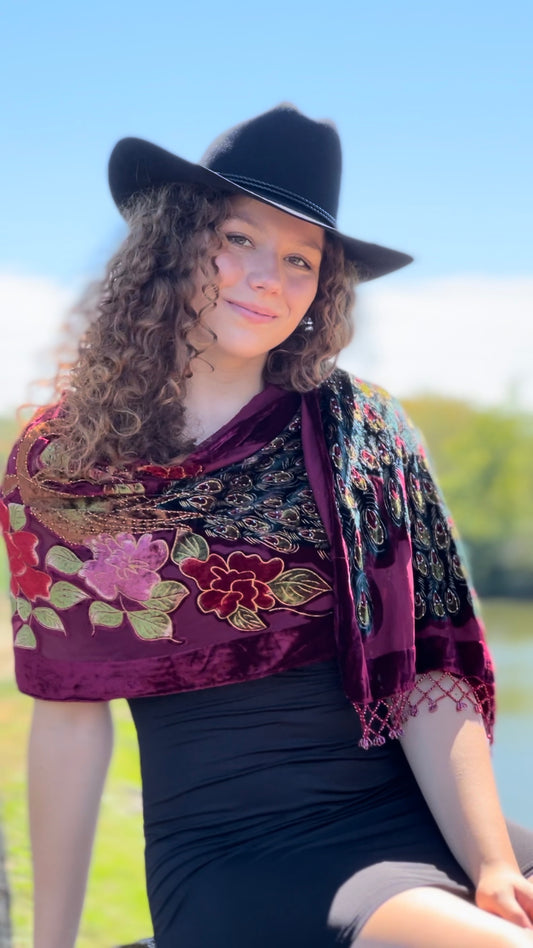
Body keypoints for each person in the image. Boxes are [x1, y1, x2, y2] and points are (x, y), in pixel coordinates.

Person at [1, 104, 533, 948]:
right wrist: (50, 944)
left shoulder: (368, 435)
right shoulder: (65, 466)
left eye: (299, 258)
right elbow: (70, 716)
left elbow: (431, 674)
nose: (268, 276)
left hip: (402, 811)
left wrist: (493, 862)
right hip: (239, 855)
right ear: (172, 245)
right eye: (238, 239)